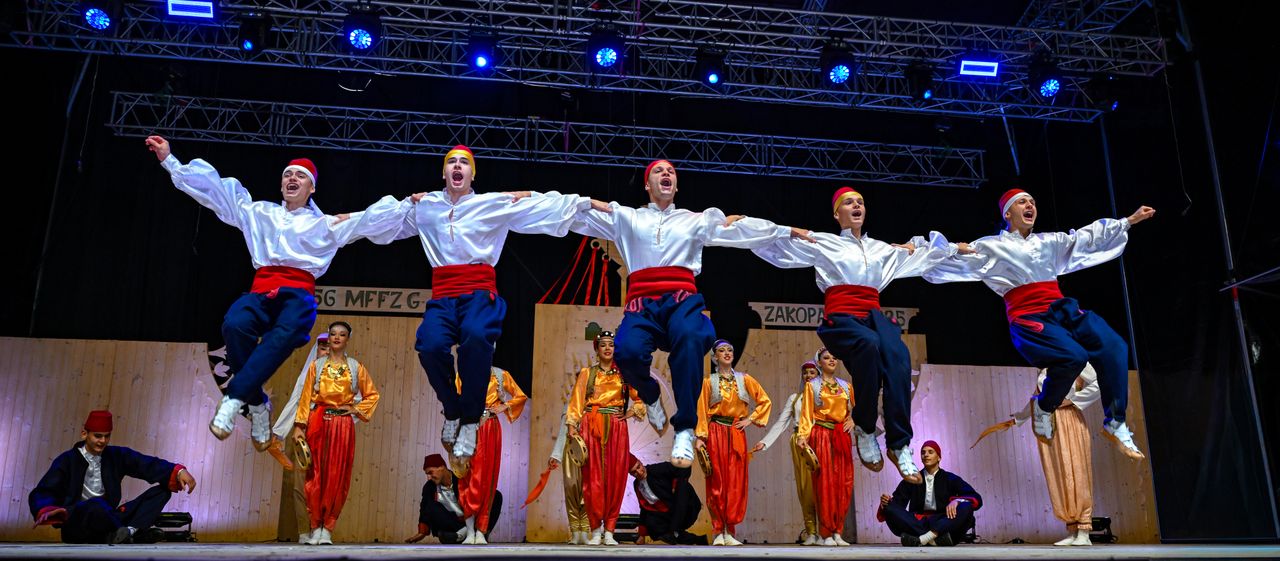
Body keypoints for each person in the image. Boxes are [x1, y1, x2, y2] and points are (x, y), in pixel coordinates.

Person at [146, 136, 417, 450]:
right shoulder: (260, 213)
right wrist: (170, 160)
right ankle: (258, 404)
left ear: (312, 188)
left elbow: (370, 220)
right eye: (288, 174)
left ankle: (234, 401)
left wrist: (410, 204)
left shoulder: (326, 224)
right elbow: (217, 193)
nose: (292, 179)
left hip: (298, 295)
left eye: (300, 176)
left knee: (285, 334)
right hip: (262, 290)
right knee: (234, 325)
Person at [569, 158, 812, 469]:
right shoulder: (626, 217)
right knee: (626, 352)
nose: (666, 173)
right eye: (658, 170)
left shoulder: (694, 219)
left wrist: (785, 230)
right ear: (647, 184)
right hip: (642, 303)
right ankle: (650, 393)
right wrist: (581, 201)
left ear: (677, 185)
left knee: (692, 335)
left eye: (671, 171)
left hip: (682, 300)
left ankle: (685, 427)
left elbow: (740, 229)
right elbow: (576, 215)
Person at [375, 145, 608, 463]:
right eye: (451, 162)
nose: (457, 166)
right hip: (443, 295)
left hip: (479, 291)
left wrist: (582, 202)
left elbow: (538, 204)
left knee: (475, 337)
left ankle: (470, 421)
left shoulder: (490, 203)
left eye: (464, 163)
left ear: (473, 174)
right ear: (444, 173)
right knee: (429, 346)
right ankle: (453, 410)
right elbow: (383, 222)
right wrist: (344, 223)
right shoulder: (426, 205)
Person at [752, 186, 970, 483]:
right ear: (836, 213)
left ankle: (899, 443)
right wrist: (764, 227)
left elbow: (923, 255)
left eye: (861, 202)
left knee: (898, 357)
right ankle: (865, 427)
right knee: (868, 345)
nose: (856, 206)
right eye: (849, 202)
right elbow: (778, 246)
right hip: (841, 316)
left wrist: (955, 248)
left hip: (873, 316)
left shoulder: (882, 248)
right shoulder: (824, 242)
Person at [924, 189, 1153, 459]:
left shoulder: (1048, 241)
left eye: (1033, 201)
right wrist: (919, 251)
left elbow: (1084, 238)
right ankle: (1044, 407)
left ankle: (1115, 422)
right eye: (1022, 202)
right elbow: (949, 259)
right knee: (1073, 357)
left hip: (1059, 308)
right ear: (1007, 213)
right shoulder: (990, 246)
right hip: (1027, 315)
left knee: (1114, 345)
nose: (1030, 204)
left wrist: (1128, 221)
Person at [974, 363, 1103, 546]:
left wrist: (1075, 400)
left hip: (1069, 420)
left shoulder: (1076, 358)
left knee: (1076, 472)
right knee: (1058, 474)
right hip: (1048, 423)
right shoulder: (1045, 367)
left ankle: (1084, 530)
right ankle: (1073, 529)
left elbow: (1099, 382)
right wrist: (1018, 418)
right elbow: (1038, 398)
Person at [29, 410, 197, 544]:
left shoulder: (115, 455)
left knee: (162, 492)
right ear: (84, 434)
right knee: (96, 504)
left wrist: (179, 472)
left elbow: (144, 464)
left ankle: (126, 533)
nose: (103, 441)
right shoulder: (67, 460)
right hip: (78, 522)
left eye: (106, 436)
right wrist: (46, 509)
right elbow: (45, 490)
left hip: (110, 517)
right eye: (97, 435)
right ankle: (131, 533)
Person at [291, 321, 380, 544]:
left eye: (342, 334)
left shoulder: (355, 367)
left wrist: (354, 409)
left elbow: (372, 395)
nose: (337, 338)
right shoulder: (317, 366)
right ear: (328, 338)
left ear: (348, 338)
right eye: (333, 334)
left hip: (343, 425)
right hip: (318, 421)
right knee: (314, 476)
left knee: (337, 476)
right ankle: (314, 526)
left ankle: (327, 528)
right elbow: (305, 398)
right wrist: (299, 427)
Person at [565, 331, 647, 545]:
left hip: (617, 426)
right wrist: (572, 427)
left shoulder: (624, 375)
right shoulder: (587, 374)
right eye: (603, 345)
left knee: (616, 478)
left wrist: (630, 412)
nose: (608, 348)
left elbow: (640, 401)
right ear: (597, 349)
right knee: (593, 480)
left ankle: (609, 531)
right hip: (592, 424)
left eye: (611, 344)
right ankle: (594, 530)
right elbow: (576, 402)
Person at [695, 339, 771, 546]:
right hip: (716, 431)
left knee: (736, 483)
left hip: (736, 432)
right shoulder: (708, 382)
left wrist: (751, 419)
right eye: (722, 351)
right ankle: (718, 530)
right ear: (715, 356)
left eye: (730, 350)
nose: (727, 353)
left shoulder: (745, 379)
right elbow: (702, 411)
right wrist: (701, 437)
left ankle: (731, 530)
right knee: (717, 482)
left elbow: (765, 401)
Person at [454, 365, 527, 544]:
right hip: (469, 426)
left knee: (487, 478)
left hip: (491, 428)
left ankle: (481, 531)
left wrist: (504, 406)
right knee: (467, 477)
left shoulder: (501, 375)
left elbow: (520, 396)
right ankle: (470, 530)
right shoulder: (463, 373)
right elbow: (455, 400)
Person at [268, 332, 328, 543]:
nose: (327, 351)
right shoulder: (307, 375)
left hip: (331, 433)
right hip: (305, 431)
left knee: (327, 484)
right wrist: (278, 433)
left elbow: (355, 402)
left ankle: (322, 530)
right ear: (316, 350)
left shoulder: (346, 374)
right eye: (323, 347)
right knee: (301, 484)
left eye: (330, 347)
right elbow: (295, 402)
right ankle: (305, 531)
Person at [754, 360, 821, 545]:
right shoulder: (795, 399)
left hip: (820, 439)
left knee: (824, 487)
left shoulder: (824, 396)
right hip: (800, 442)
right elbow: (781, 423)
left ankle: (827, 531)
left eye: (812, 372)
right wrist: (765, 442)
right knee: (805, 488)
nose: (808, 376)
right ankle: (812, 532)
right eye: (806, 373)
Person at [796, 348, 855, 546]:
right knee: (825, 485)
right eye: (826, 358)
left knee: (843, 483)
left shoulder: (846, 386)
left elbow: (855, 409)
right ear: (819, 363)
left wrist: (853, 420)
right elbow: (806, 413)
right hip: (821, 434)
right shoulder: (812, 386)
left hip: (841, 436)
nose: (831, 360)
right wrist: (803, 436)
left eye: (834, 357)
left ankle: (838, 531)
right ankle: (826, 532)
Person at [876, 440, 982, 547]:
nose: (926, 455)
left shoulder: (950, 478)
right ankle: (935, 539)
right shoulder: (913, 478)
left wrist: (956, 501)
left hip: (943, 520)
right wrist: (887, 501)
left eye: (931, 452)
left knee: (966, 506)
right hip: (917, 522)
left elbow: (975, 497)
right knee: (889, 507)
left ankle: (922, 538)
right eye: (923, 452)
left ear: (939, 457)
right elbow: (898, 503)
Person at [405, 454, 503, 545]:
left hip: (469, 520)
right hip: (451, 524)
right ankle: (460, 533)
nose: (429, 477)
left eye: (430, 473)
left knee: (496, 496)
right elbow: (425, 509)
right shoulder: (429, 487)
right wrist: (422, 532)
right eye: (427, 474)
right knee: (430, 506)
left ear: (442, 467)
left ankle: (479, 534)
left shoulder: (462, 479)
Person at [631, 456, 704, 545]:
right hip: (668, 514)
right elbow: (644, 509)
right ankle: (697, 539)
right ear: (630, 474)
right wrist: (642, 535)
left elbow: (685, 466)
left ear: (641, 462)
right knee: (652, 524)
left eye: (638, 467)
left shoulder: (657, 469)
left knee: (681, 487)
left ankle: (674, 530)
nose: (639, 472)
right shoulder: (637, 485)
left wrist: (674, 486)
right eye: (634, 472)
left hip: (687, 506)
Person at [548, 406, 590, 544]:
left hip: (590, 450)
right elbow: (563, 430)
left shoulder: (598, 401)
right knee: (571, 489)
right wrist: (556, 455)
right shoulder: (572, 403)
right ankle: (574, 532)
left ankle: (584, 532)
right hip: (571, 450)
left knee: (587, 490)